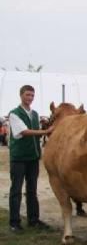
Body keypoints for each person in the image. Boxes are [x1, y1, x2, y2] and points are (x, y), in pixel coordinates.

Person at [8, 85, 53, 232]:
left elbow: (35, 134)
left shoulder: (34, 114)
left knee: (32, 189)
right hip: (19, 157)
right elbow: (24, 131)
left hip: (33, 157)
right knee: (16, 190)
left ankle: (33, 219)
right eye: (27, 95)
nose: (30, 98)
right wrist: (45, 131)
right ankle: (14, 222)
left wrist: (45, 130)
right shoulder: (14, 114)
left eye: (32, 95)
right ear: (21, 95)